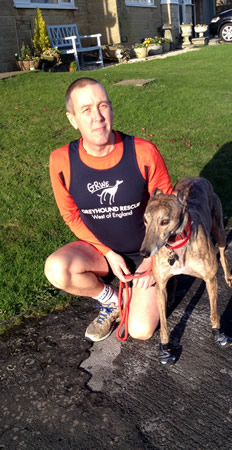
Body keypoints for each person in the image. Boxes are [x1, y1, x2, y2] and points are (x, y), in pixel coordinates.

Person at [44, 77, 173, 343]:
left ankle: (165, 276)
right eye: (86, 109)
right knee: (57, 268)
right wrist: (107, 252)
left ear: (111, 109)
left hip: (147, 251)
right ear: (72, 119)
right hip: (102, 253)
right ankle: (112, 301)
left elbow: (168, 212)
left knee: (140, 330)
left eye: (103, 106)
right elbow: (71, 216)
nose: (97, 117)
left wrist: (151, 260)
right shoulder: (61, 161)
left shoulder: (143, 152)